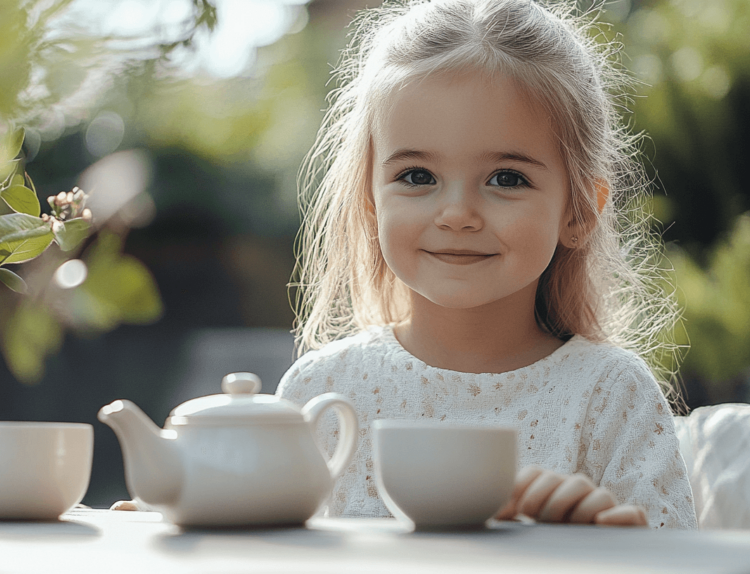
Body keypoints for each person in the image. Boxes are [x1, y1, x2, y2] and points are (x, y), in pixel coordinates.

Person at [276, 0, 698, 529]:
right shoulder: (319, 393)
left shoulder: (612, 396)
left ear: (580, 210)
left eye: (506, 178)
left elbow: (674, 556)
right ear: (369, 198)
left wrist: (606, 547)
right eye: (416, 176)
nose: (456, 214)